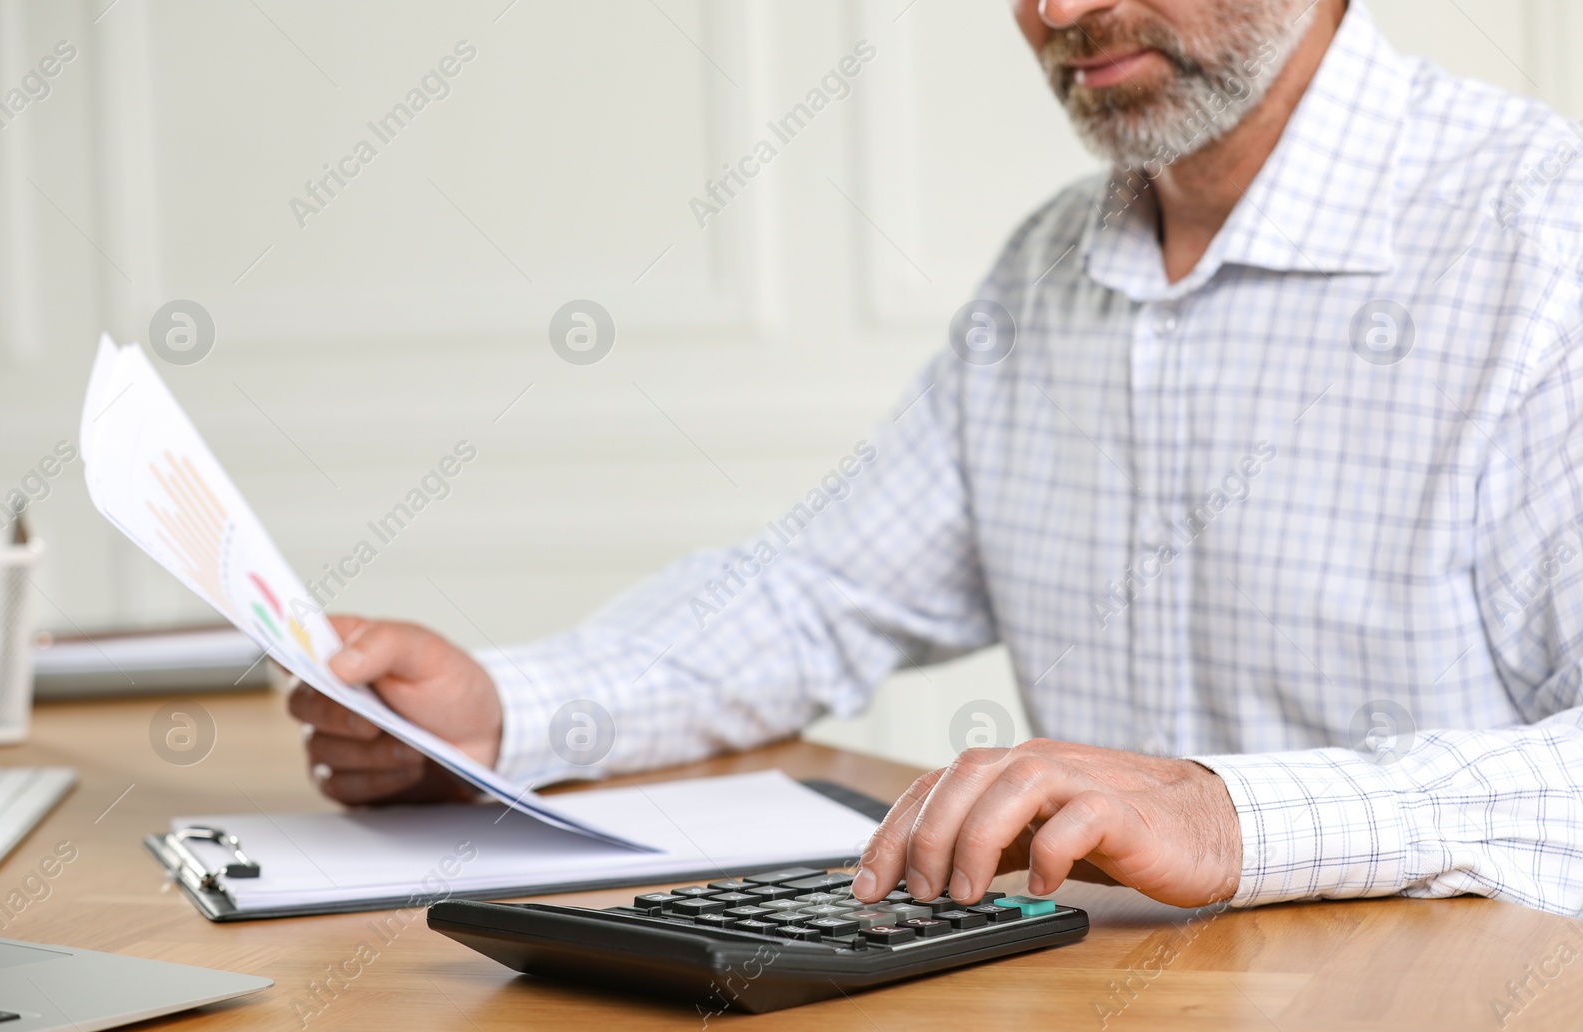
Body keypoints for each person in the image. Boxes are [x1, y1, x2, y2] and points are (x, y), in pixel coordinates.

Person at [290, 0, 1583, 916]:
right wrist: (504, 713)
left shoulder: (1546, 242)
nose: (1057, 10)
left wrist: (1227, 814)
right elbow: (814, 593)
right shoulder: (1047, 275)